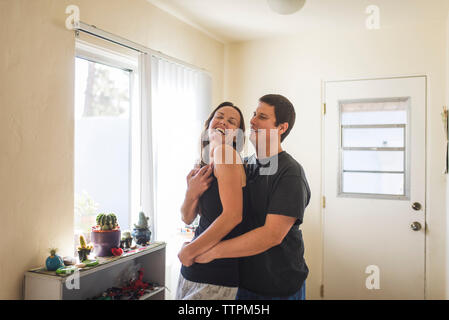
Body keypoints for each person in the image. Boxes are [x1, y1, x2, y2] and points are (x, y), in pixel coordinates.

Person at [194, 94, 310, 300]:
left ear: (281, 128)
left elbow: (271, 235)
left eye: (262, 117)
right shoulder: (244, 164)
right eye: (254, 114)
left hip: (277, 287)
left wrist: (213, 251)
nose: (253, 120)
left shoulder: (290, 173)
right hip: (240, 282)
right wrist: (192, 191)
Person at [175, 102, 247, 300]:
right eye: (220, 116)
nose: (223, 122)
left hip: (215, 274)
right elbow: (187, 218)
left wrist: (189, 251)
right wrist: (192, 193)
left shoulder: (226, 154)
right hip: (193, 270)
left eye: (231, 122)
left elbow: (233, 216)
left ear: (237, 136)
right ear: (209, 124)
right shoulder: (203, 165)